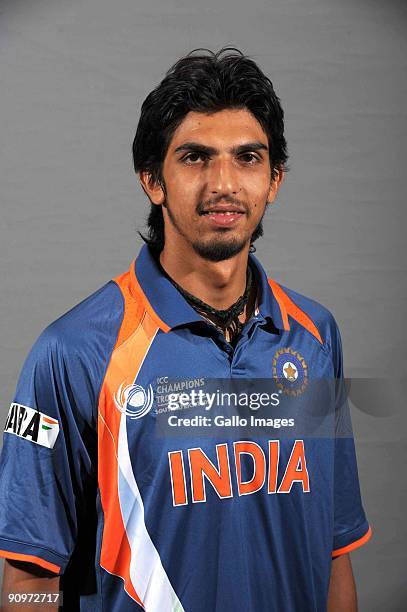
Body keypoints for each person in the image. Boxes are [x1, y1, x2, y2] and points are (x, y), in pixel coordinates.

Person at [0, 47, 371, 611]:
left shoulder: (315, 336)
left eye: (247, 158)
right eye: (196, 157)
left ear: (273, 181)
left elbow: (333, 552)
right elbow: (28, 581)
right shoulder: (73, 352)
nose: (223, 183)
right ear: (153, 180)